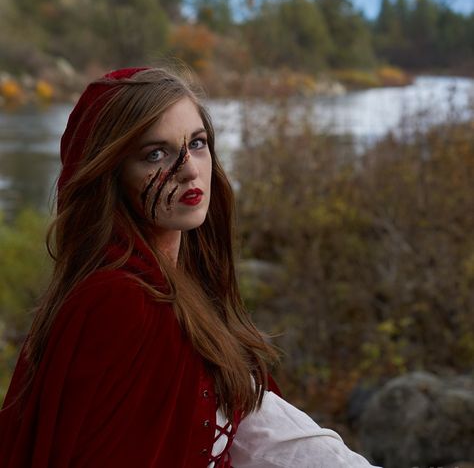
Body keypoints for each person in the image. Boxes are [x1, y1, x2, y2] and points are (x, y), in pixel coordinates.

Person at [0, 66, 379, 467]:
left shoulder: (188, 283)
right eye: (155, 153)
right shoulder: (120, 302)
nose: (189, 168)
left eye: (197, 143)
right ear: (110, 175)